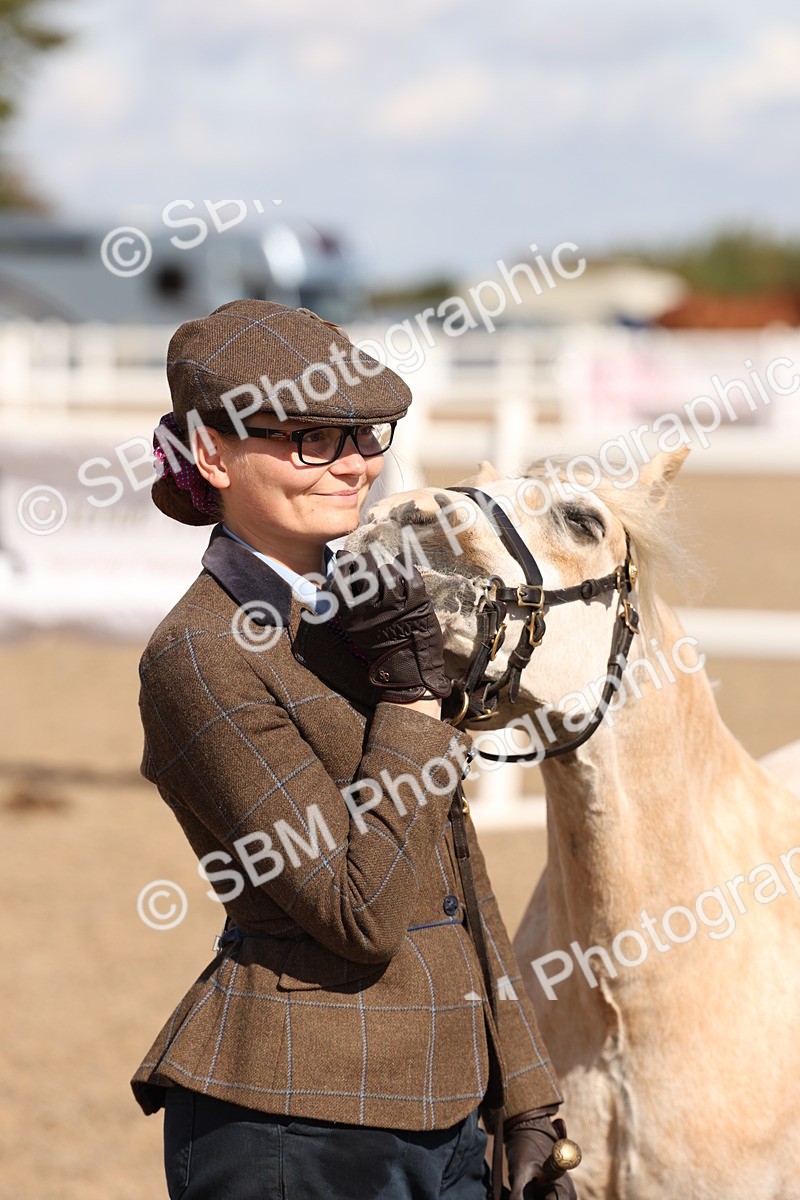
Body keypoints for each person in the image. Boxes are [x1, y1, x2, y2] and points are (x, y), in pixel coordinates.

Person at [130, 299, 577, 1200]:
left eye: (364, 433)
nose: (355, 464)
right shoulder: (199, 656)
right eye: (311, 439)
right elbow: (358, 911)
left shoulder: (362, 612)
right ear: (212, 454)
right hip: (298, 1123)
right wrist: (414, 701)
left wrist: (527, 1094)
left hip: (451, 1109)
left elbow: (450, 867)